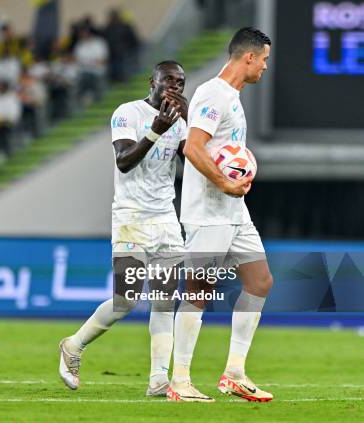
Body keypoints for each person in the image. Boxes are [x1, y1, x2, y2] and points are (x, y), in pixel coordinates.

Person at [59, 61, 189, 396]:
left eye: (180, 83)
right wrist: (156, 129)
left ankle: (159, 379)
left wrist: (189, 123)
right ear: (152, 82)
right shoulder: (127, 113)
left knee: (163, 300)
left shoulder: (179, 123)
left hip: (165, 219)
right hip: (131, 217)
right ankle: (73, 345)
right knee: (126, 301)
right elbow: (124, 161)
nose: (174, 87)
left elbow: (192, 165)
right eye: (168, 81)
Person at [167, 27, 273, 403]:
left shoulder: (233, 97)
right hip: (208, 214)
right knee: (200, 290)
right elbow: (193, 149)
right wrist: (224, 183)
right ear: (248, 57)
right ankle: (179, 380)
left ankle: (234, 373)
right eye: (263, 59)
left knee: (260, 281)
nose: (264, 67)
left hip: (234, 212)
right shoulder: (213, 94)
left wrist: (235, 186)